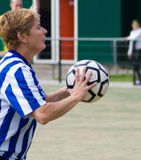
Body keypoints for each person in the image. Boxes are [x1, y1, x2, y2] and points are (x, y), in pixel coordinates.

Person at [0, 8, 95, 160]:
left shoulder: (14, 64)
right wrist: (75, 96)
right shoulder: (17, 70)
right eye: (38, 27)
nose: (44, 31)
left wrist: (69, 89)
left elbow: (38, 101)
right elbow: (42, 113)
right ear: (22, 36)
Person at [126, 20, 141, 85]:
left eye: (136, 25)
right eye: (133, 25)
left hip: (138, 50)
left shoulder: (140, 30)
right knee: (134, 66)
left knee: (137, 66)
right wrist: (129, 52)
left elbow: (133, 38)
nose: (134, 26)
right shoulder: (132, 32)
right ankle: (135, 81)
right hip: (133, 51)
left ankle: (140, 80)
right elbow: (131, 42)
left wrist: (127, 38)